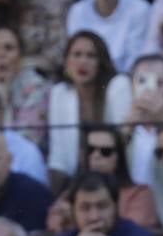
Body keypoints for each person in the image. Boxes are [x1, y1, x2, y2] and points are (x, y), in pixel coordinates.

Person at [47, 30, 129, 177]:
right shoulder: (60, 92)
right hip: (75, 177)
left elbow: (123, 139)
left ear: (101, 62)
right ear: (66, 61)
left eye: (91, 56)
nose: (82, 62)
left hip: (113, 175)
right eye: (77, 55)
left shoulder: (118, 85)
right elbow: (58, 155)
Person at [0, 26, 50, 153]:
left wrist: (5, 101)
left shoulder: (37, 88)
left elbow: (28, 141)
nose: (1, 54)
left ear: (20, 57)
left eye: (8, 48)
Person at [80, 122, 158, 228]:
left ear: (118, 158)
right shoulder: (69, 194)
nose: (96, 156)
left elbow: (133, 235)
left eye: (105, 151)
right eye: (90, 150)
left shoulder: (139, 195)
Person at [124, 54, 163, 188]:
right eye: (142, 82)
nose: (150, 89)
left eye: (160, 83)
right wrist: (126, 129)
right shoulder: (121, 126)